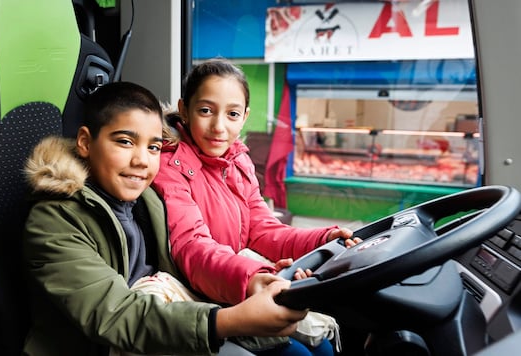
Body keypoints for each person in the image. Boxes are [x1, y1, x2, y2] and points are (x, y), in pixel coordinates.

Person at [21, 81, 310, 356]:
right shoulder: (54, 220)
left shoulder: (149, 200)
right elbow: (117, 314)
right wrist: (228, 320)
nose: (142, 161)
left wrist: (259, 274)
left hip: (165, 322)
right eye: (124, 142)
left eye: (154, 147)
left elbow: (194, 253)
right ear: (85, 142)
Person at [151, 58, 362, 355]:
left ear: (245, 116)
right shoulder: (168, 165)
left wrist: (323, 239)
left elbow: (263, 230)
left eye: (232, 114)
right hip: (202, 297)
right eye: (205, 111)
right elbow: (192, 247)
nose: (219, 127)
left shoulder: (238, 161)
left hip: (232, 283)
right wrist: (252, 278)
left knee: (324, 348)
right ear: (184, 109)